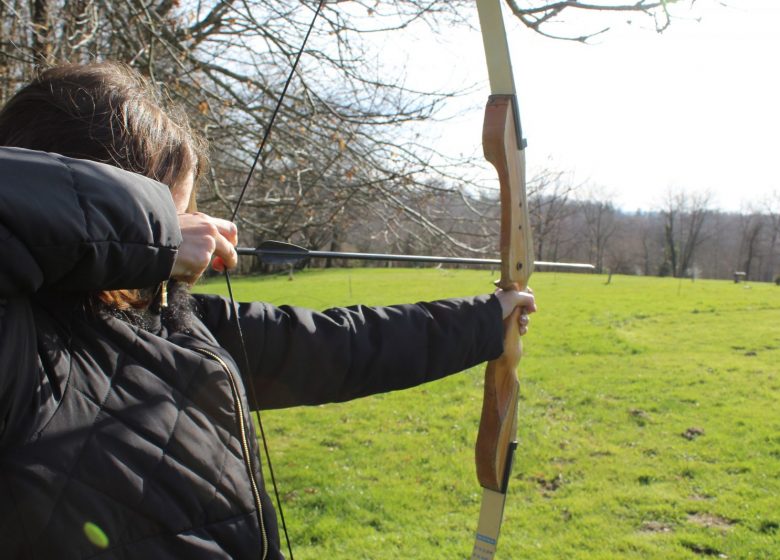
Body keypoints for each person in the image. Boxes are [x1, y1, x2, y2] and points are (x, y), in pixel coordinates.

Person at [0, 62, 535, 559]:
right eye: (171, 209)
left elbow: (342, 346)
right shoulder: (22, 350)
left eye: (183, 209)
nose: (194, 226)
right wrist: (155, 232)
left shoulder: (177, 323)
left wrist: (489, 320)